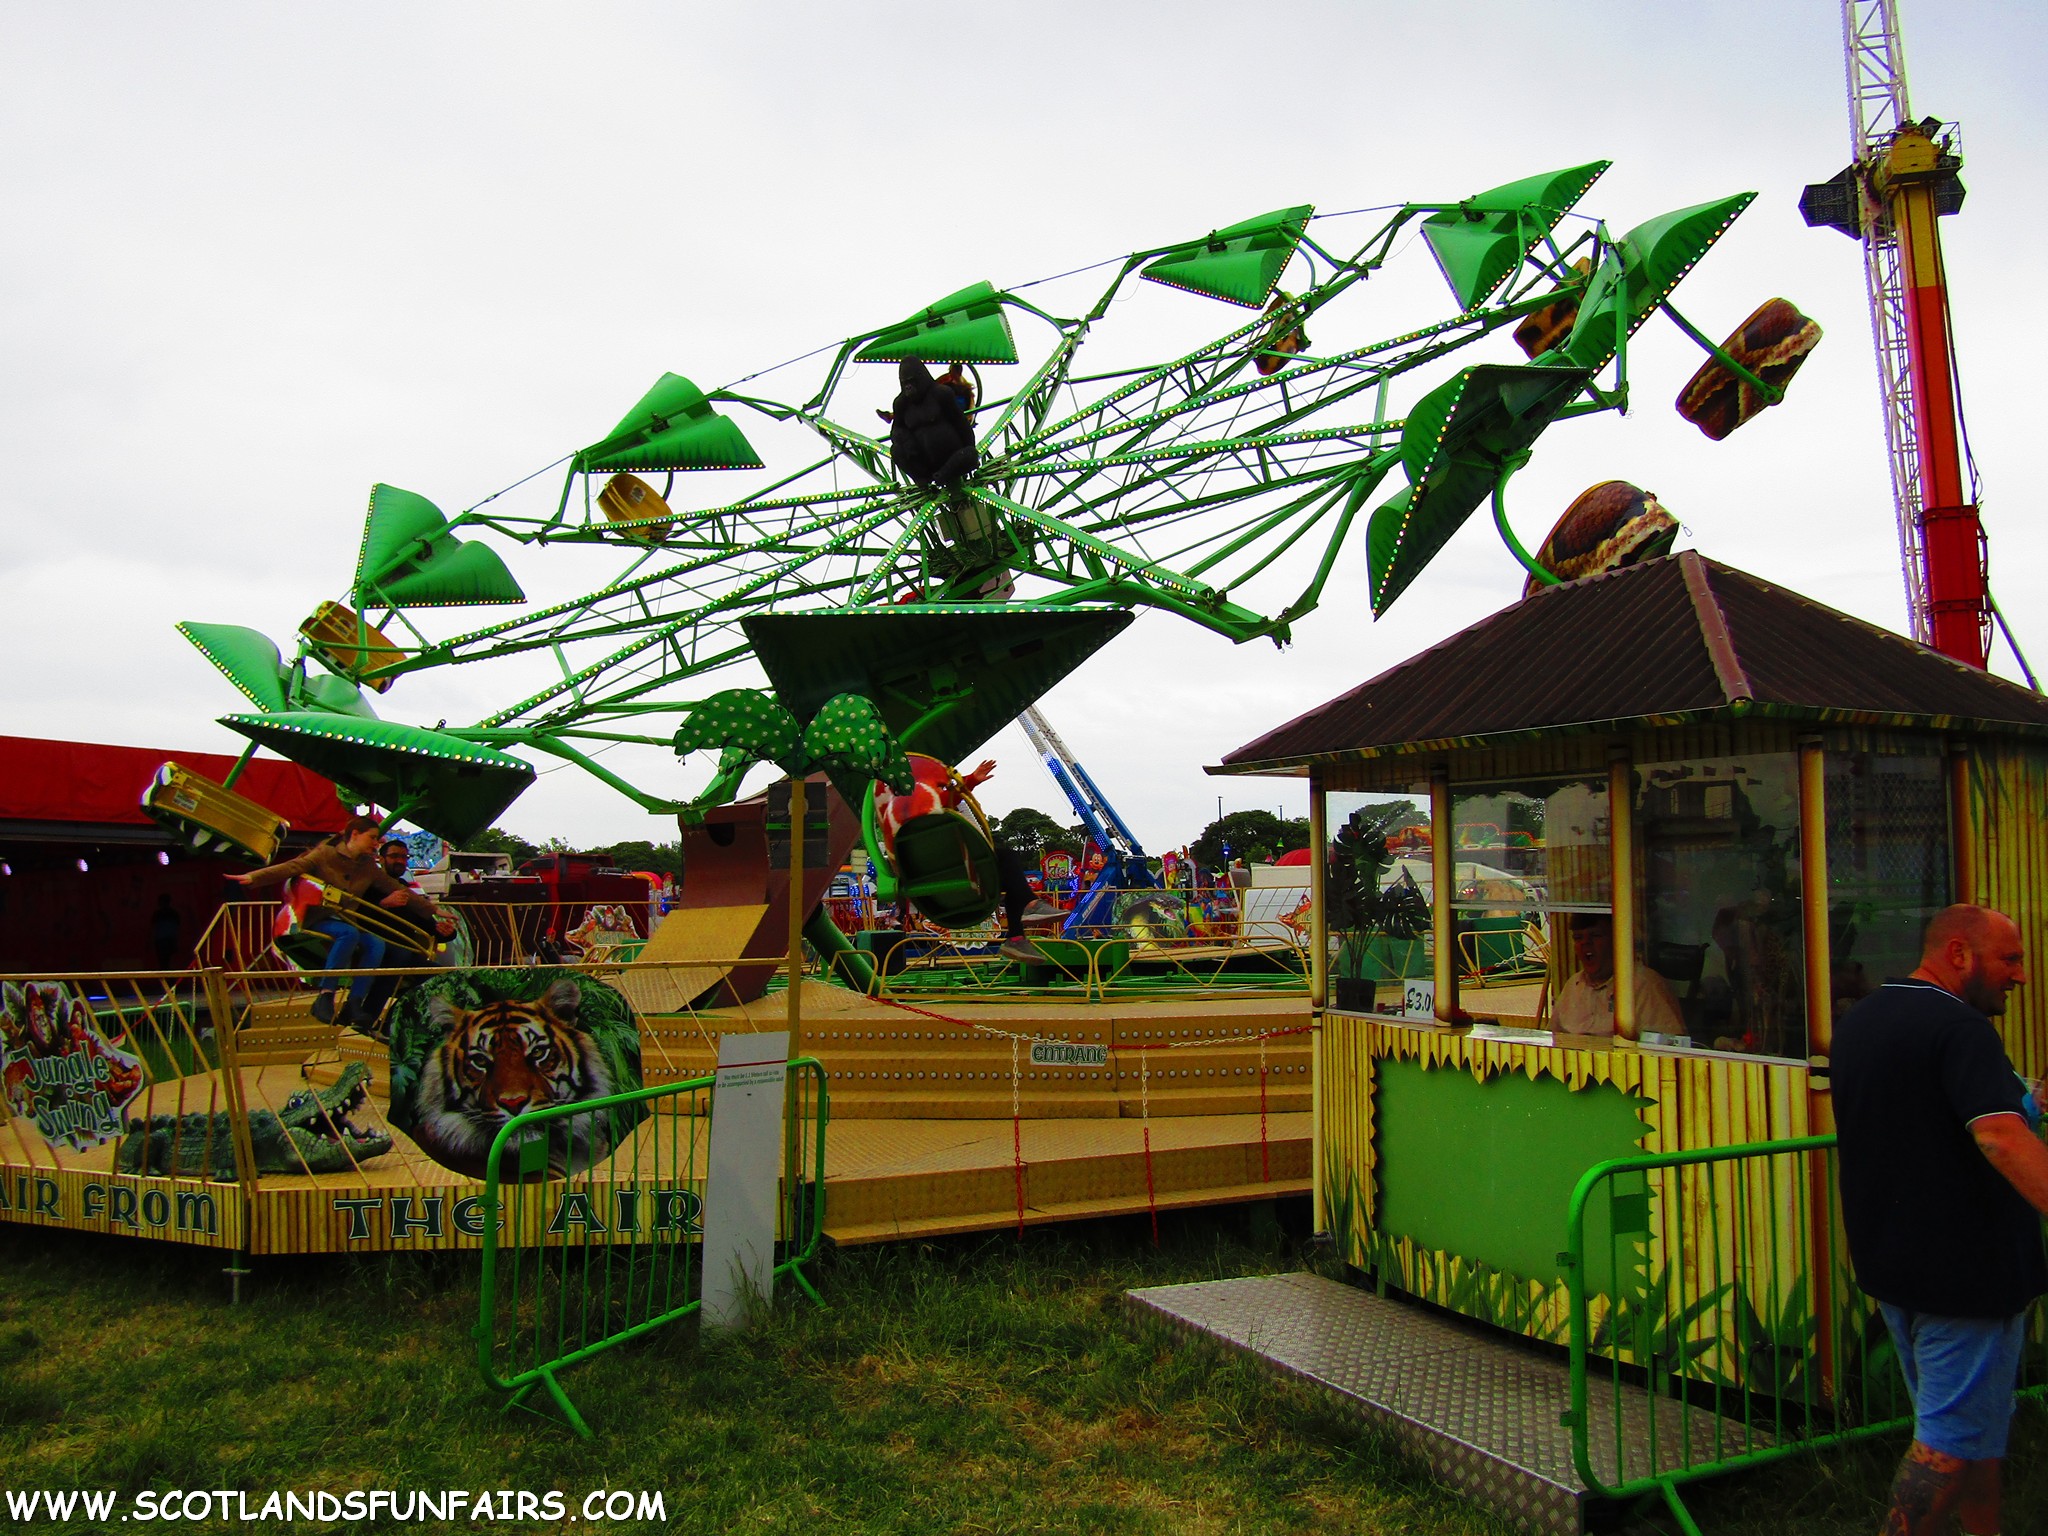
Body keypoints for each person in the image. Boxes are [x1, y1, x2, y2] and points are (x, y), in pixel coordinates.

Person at [1833, 904, 2045, 1536]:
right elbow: (2000, 1139)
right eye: (2009, 959)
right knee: (1945, 1446)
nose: (2020, 975)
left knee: (1973, 1429)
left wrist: (2026, 1100)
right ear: (1959, 953)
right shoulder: (1963, 1030)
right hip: (1966, 1278)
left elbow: (1932, 1118)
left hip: (1896, 1268)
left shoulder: (1866, 1018)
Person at [230, 815, 413, 1025]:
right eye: (372, 837)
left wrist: (434, 910)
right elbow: (293, 867)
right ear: (355, 835)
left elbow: (398, 888)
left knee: (376, 944)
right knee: (349, 933)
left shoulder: (367, 866)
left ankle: (355, 1002)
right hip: (317, 916)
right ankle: (326, 994)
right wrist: (255, 877)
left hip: (345, 919)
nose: (375, 843)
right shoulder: (325, 854)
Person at [1550, 913, 1684, 1040]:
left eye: (1596, 935)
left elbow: (1669, 1050)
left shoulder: (1644, 985)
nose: (1585, 943)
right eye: (1578, 938)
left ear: (1617, 940)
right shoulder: (1573, 985)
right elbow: (1552, 1038)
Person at [887, 359, 978, 489]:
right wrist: (907, 442)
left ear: (920, 378)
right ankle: (922, 480)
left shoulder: (941, 393)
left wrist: (968, 453)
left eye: (911, 381)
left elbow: (962, 426)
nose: (908, 387)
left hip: (952, 457)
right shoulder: (901, 404)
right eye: (905, 383)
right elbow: (896, 432)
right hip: (924, 464)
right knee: (896, 450)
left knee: (970, 454)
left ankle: (942, 474)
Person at [148, 893, 183, 971]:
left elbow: (177, 929)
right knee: (163, 962)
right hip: (162, 941)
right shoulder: (159, 914)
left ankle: (169, 979)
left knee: (168, 962)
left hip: (168, 941)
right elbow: (153, 928)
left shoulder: (173, 914)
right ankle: (165, 979)